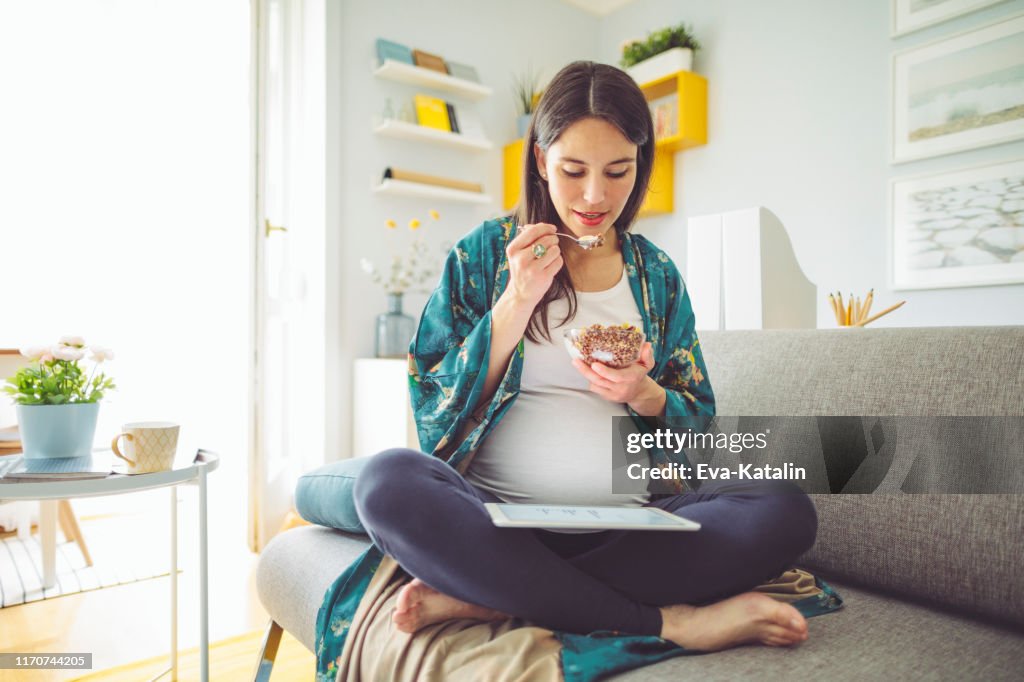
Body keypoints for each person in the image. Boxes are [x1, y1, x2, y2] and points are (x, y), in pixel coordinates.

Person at [353, 60, 817, 652]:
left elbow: (699, 438)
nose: (596, 196)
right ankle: (666, 622)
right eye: (573, 170)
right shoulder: (483, 257)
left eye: (618, 171)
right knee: (386, 483)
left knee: (784, 507)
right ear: (542, 162)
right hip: (495, 522)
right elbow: (432, 422)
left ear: (640, 166)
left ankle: (494, 594)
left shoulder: (657, 277)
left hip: (630, 529)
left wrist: (644, 394)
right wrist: (516, 302)